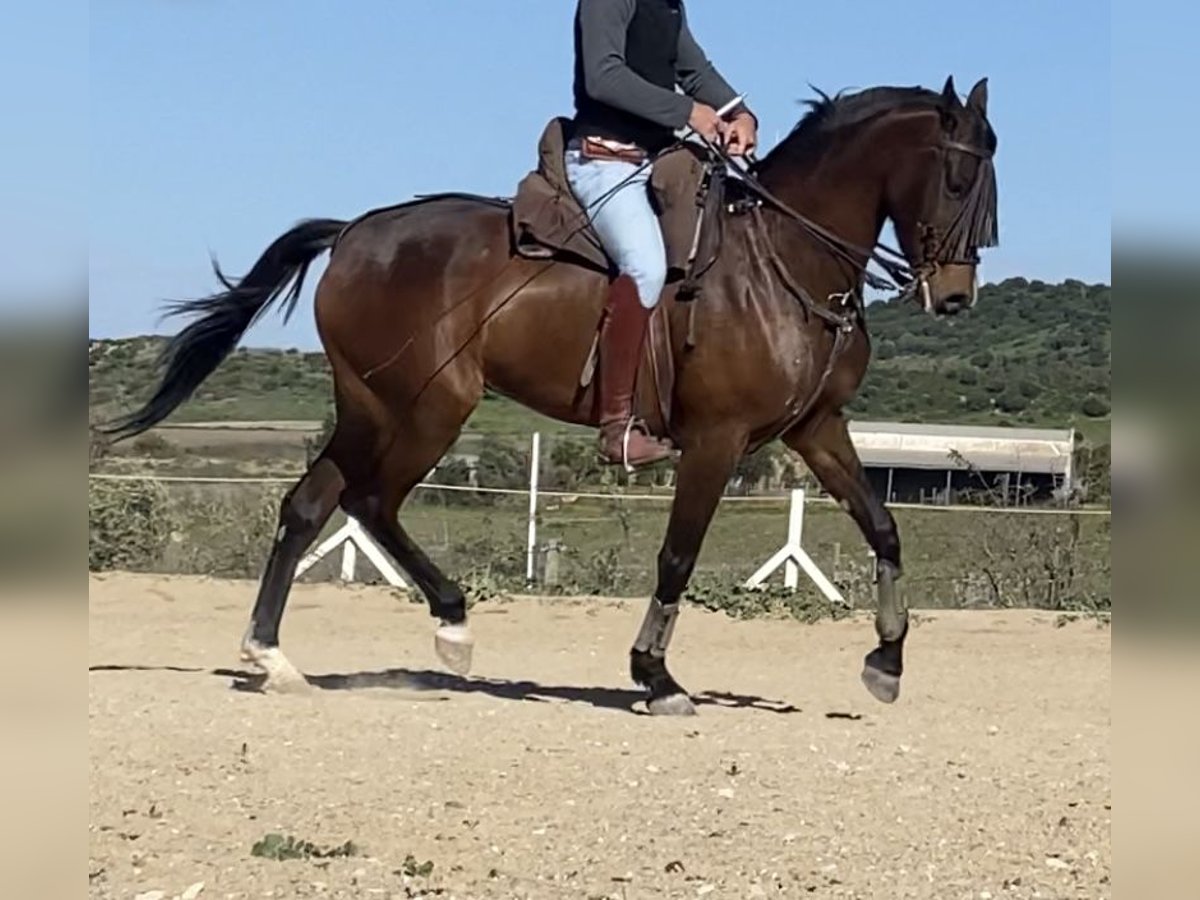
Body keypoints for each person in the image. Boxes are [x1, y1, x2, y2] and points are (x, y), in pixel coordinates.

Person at [567, 0, 758, 468]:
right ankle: (617, 429)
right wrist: (686, 112)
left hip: (658, 161)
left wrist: (741, 114)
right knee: (647, 268)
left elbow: (695, 69)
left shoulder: (670, 5)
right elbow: (603, 75)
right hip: (603, 161)